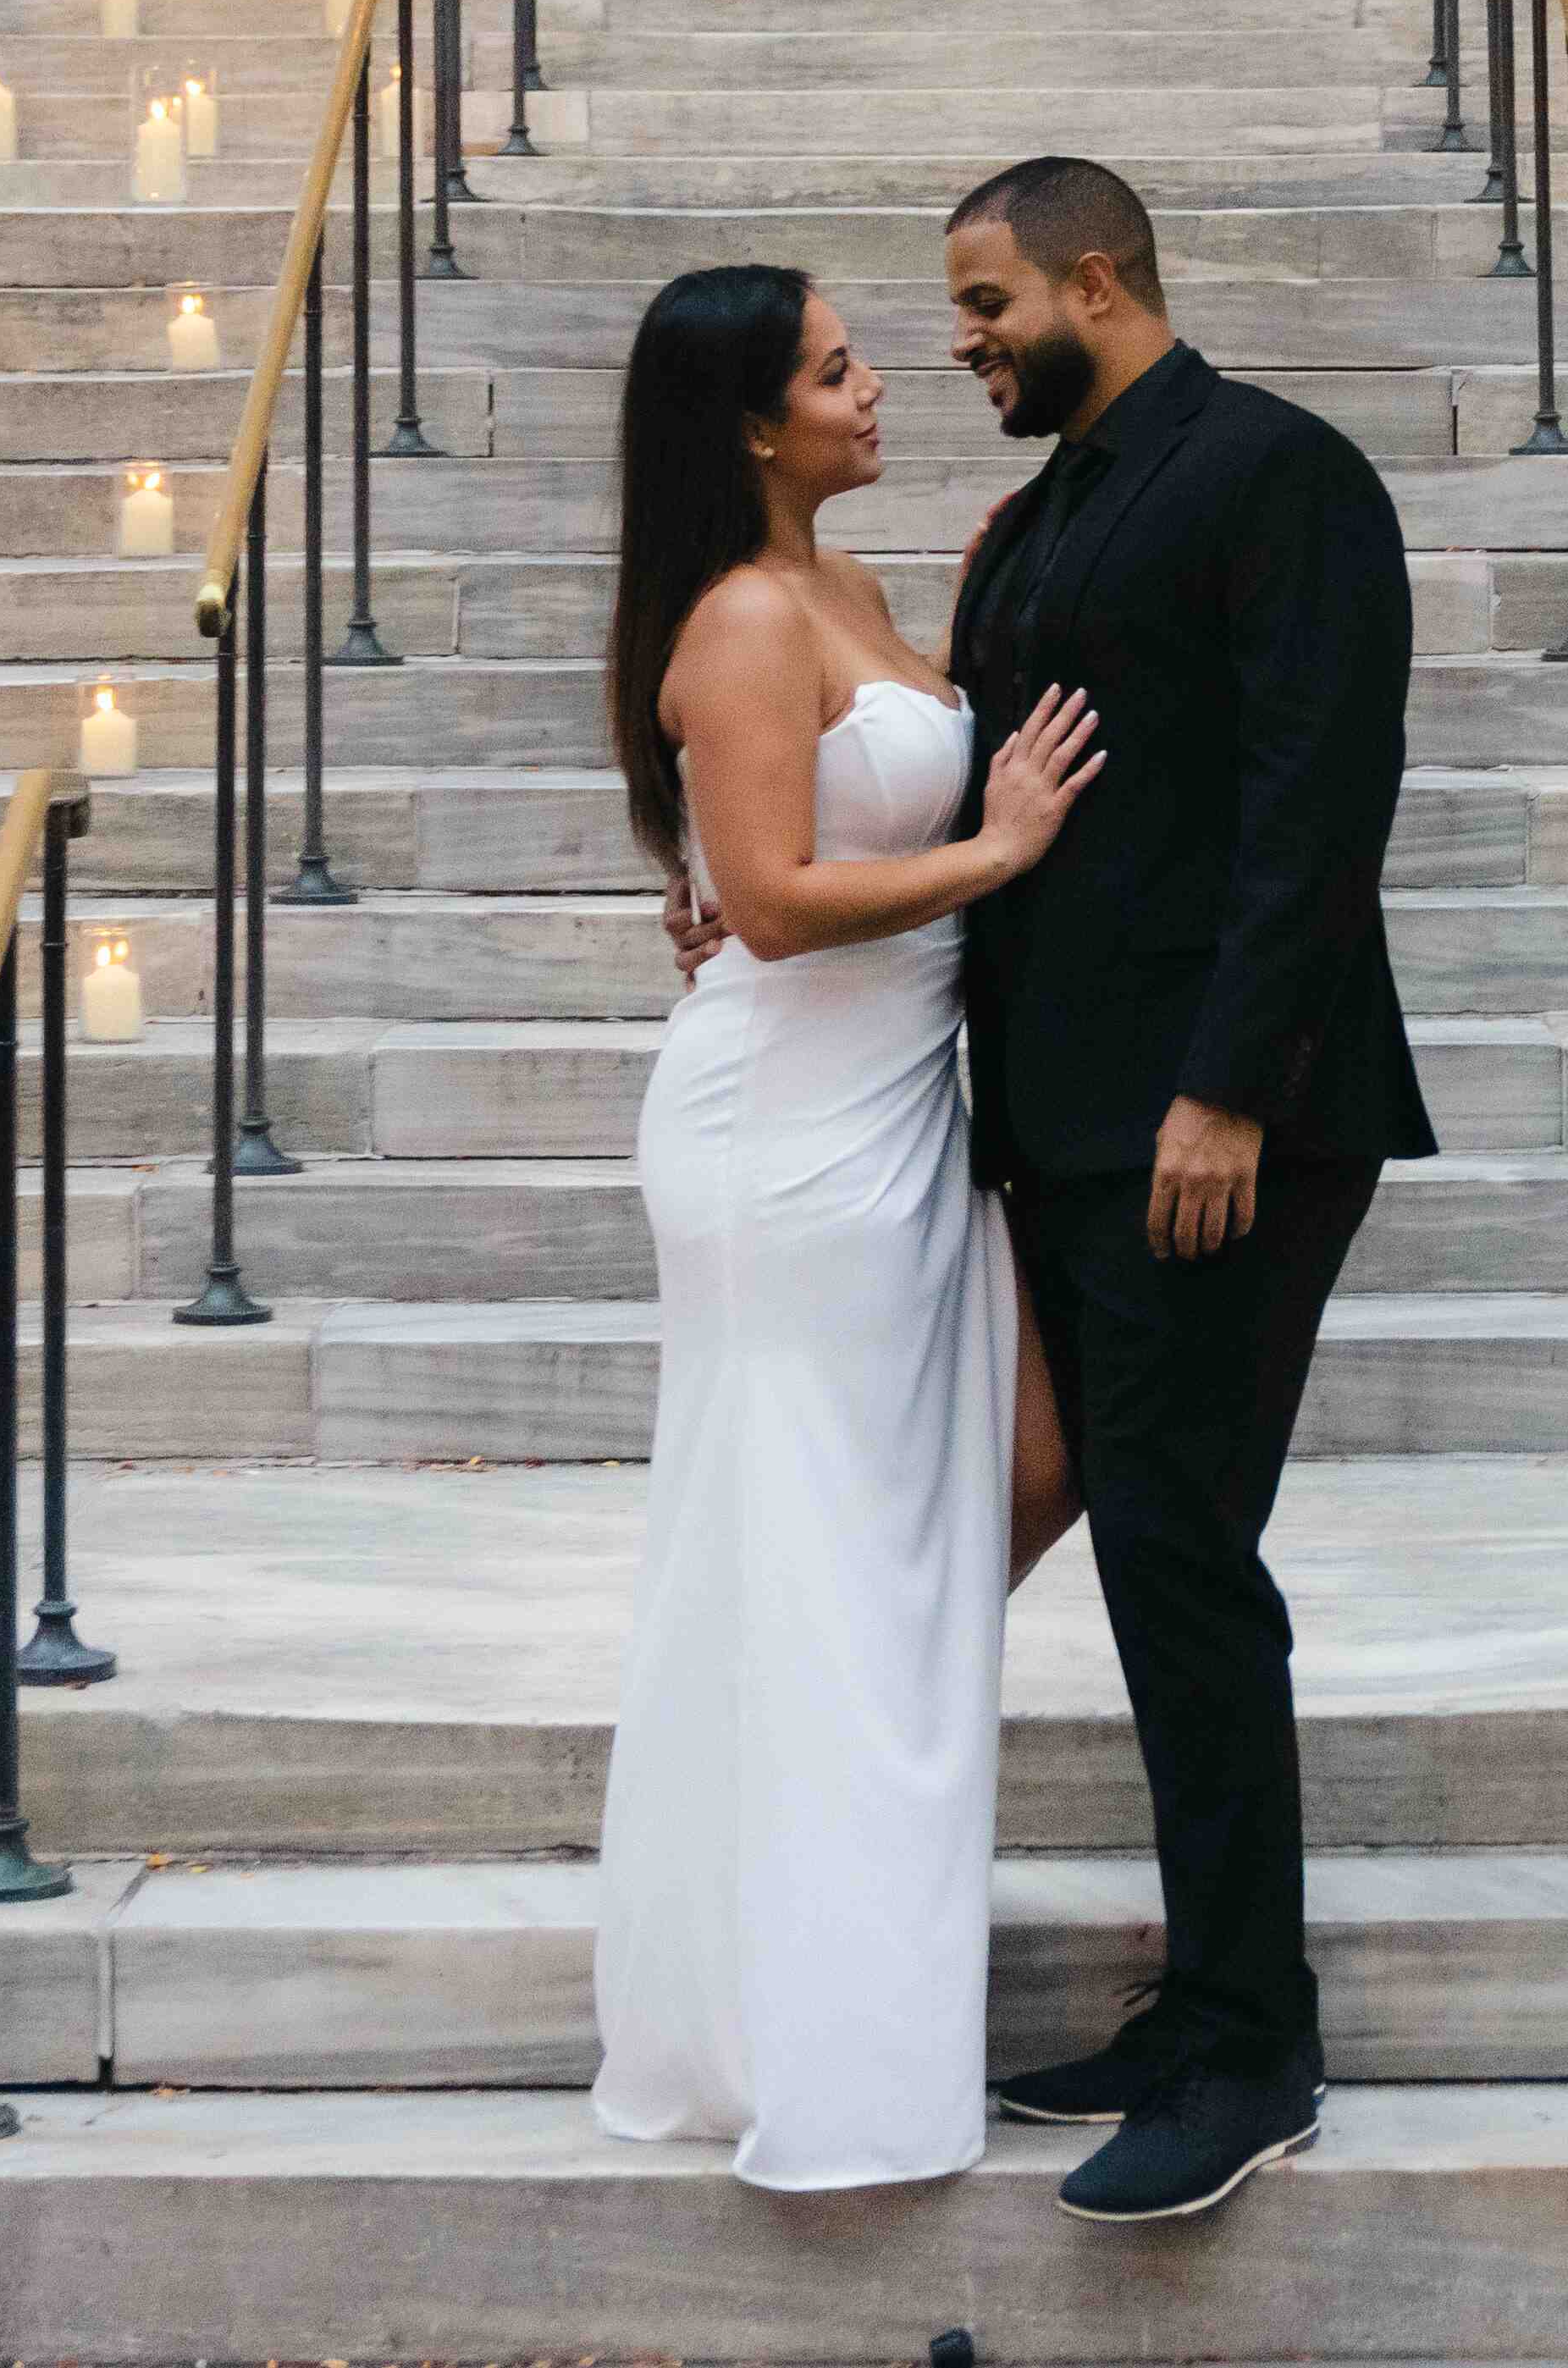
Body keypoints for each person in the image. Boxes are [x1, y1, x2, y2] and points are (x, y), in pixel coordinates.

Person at [935, 155, 1430, 2226]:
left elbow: (1318, 800)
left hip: (1219, 1132)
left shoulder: (1278, 470)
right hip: (1065, 1127)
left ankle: (1251, 2042)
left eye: (984, 302)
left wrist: (1224, 1086)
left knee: (1178, 1552)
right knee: (1153, 1554)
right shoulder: (1044, 512)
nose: (958, 341)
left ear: (1097, 274)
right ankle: (1199, 1999)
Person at [585, 263, 1099, 2193]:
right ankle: (812, 2031)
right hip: (783, 1132)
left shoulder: (859, 593)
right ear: (745, 422)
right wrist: (999, 846)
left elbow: (807, 831)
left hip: (898, 1107)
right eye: (833, 366)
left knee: (994, 1482)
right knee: (820, 1554)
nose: (878, 381)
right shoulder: (733, 614)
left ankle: (811, 1954)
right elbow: (778, 900)